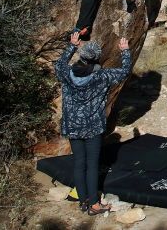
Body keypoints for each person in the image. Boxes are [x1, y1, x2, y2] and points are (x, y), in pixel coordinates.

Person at [54, 31, 132, 215]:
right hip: (93, 128)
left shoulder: (66, 74)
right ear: (97, 59)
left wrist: (72, 46)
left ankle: (83, 202)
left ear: (82, 57)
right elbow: (125, 71)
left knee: (79, 163)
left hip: (72, 126)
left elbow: (59, 64)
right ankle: (95, 205)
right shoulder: (102, 77)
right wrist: (125, 51)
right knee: (92, 164)